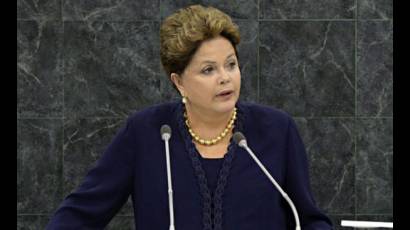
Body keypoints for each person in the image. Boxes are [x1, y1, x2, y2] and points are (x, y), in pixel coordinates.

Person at [46, 4, 333, 229]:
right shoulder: (146, 133)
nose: (225, 78)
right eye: (208, 70)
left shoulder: (276, 130)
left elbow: (309, 219)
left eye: (231, 65)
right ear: (179, 82)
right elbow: (79, 215)